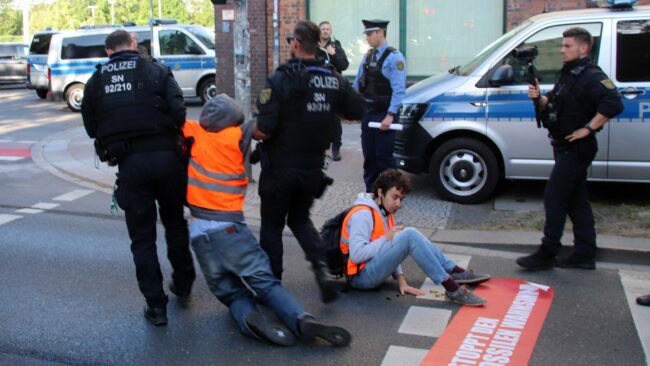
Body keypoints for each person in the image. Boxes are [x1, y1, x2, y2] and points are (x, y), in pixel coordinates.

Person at [183, 94, 351, 347]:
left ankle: (248, 317)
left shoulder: (193, 132)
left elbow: (170, 119)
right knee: (264, 282)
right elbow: (266, 127)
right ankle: (300, 318)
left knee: (229, 292)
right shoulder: (238, 134)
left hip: (198, 233)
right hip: (229, 229)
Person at [81, 30, 195, 326]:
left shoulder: (96, 82)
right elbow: (179, 112)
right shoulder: (156, 70)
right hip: (167, 160)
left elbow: (92, 128)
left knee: (142, 238)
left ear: (108, 51)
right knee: (175, 224)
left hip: (130, 165)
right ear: (134, 46)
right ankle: (183, 287)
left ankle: (156, 307)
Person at [253, 20, 365, 303]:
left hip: (279, 168)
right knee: (300, 219)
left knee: (272, 227)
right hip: (312, 169)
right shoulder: (333, 77)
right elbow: (357, 109)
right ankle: (321, 269)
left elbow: (264, 129)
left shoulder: (280, 78)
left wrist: (244, 131)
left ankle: (272, 288)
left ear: (296, 44)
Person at [516, 27, 624, 271]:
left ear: (583, 48)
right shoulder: (570, 74)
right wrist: (539, 98)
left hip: (577, 147)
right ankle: (585, 253)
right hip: (564, 145)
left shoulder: (591, 75)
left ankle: (547, 252)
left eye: (567, 46)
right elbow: (554, 106)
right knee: (577, 201)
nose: (562, 50)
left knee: (554, 197)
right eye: (562, 46)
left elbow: (614, 103)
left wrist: (589, 128)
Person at [341, 169, 489, 306]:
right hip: (360, 278)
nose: (398, 204)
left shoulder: (384, 211)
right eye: (395, 197)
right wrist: (386, 237)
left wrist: (401, 278)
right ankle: (452, 288)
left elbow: (390, 248)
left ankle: (455, 271)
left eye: (402, 199)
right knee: (410, 234)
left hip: (371, 268)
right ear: (380, 193)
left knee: (410, 234)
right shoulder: (363, 215)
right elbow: (357, 255)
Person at [353, 19, 406, 193]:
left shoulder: (394, 58)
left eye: (369, 34)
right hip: (369, 113)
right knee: (369, 156)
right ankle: (371, 192)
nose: (367, 38)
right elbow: (358, 83)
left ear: (380, 33)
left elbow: (399, 90)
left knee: (384, 157)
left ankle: (393, 193)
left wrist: (390, 115)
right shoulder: (368, 56)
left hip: (384, 114)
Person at [316, 21, 349, 161]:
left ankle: (336, 148)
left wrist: (333, 55)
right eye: (323, 29)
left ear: (331, 31)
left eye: (327, 29)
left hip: (333, 87)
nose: (325, 31)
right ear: (319, 31)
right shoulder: (313, 47)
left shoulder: (335, 46)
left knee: (334, 119)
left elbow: (344, 65)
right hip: (317, 87)